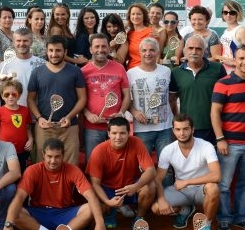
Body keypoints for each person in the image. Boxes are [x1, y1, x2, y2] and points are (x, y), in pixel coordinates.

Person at [1, 138, 107, 230]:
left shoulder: (73, 170)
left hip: (65, 214)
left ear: (63, 155)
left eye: (57, 157)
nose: (53, 161)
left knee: (91, 208)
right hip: (39, 215)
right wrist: (8, 224)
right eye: (49, 156)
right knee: (14, 213)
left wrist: (100, 221)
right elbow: (19, 198)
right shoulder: (32, 171)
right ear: (43, 155)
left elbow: (91, 196)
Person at [210, 45, 245, 230]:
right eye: (241, 58)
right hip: (229, 143)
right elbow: (214, 112)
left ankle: (241, 217)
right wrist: (221, 138)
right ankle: (224, 219)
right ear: (234, 59)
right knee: (223, 185)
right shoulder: (223, 83)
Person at [151, 114, 220, 230]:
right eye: (178, 129)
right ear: (173, 130)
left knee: (213, 188)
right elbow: (158, 179)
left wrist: (187, 181)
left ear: (192, 129)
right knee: (156, 208)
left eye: (186, 129)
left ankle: (206, 227)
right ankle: (185, 209)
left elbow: (216, 175)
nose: (182, 133)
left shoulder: (206, 146)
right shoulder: (168, 150)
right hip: (181, 190)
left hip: (201, 189)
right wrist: (161, 199)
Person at [87, 117, 156, 230]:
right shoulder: (99, 150)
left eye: (122, 133)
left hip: (130, 187)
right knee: (93, 195)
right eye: (114, 133)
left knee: (150, 186)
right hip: (107, 189)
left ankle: (139, 219)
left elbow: (151, 171)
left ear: (129, 133)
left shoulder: (136, 142)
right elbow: (95, 184)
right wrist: (108, 202)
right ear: (108, 133)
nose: (118, 137)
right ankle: (110, 211)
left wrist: (136, 186)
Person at [27, 35, 87, 165]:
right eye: (51, 50)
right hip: (44, 127)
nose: (54, 54)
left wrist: (70, 117)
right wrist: (39, 118)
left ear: (65, 52)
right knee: (42, 164)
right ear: (46, 51)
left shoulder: (75, 71)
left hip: (69, 127)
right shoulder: (37, 72)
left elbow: (82, 99)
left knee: (71, 166)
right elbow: (31, 99)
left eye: (58, 50)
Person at [81, 33, 130, 162]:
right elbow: (80, 98)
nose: (100, 50)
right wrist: (87, 114)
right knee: (93, 161)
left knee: (117, 161)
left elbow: (127, 95)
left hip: (116, 126)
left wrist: (121, 113)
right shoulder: (83, 71)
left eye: (104, 46)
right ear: (91, 49)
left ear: (109, 48)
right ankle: (94, 183)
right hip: (92, 127)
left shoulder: (119, 68)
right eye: (96, 46)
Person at [171, 35, 227, 144]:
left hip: (213, 127)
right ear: (184, 50)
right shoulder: (175, 73)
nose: (194, 51)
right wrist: (177, 123)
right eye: (190, 48)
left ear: (205, 51)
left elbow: (226, 98)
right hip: (187, 128)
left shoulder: (218, 68)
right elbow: (172, 101)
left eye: (198, 48)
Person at [127, 37, 176, 159]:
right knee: (143, 166)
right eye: (144, 50)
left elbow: (172, 98)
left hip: (165, 128)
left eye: (152, 50)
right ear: (140, 52)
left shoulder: (167, 71)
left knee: (167, 167)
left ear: (158, 52)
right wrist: (135, 112)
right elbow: (126, 100)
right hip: (142, 128)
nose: (147, 53)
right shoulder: (130, 73)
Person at [0, 79, 33, 173]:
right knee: (7, 175)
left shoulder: (25, 110)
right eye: (7, 94)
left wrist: (31, 139)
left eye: (14, 94)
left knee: (21, 174)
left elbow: (28, 128)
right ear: (2, 96)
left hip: (22, 150)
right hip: (4, 152)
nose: (10, 97)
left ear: (19, 96)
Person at [0, 27, 45, 108]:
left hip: (37, 114)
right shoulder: (4, 65)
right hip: (14, 113)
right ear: (13, 42)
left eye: (25, 41)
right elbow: (3, 92)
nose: (22, 44)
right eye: (18, 41)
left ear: (31, 42)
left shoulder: (42, 63)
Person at [118, 3, 166, 70]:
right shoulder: (129, 34)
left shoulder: (151, 33)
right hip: (131, 72)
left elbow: (157, 56)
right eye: (133, 14)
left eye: (139, 14)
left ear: (144, 16)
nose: (135, 16)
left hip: (147, 71)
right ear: (129, 16)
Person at [217, 0, 245, 72]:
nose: (228, 15)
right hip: (224, 72)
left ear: (238, 14)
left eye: (232, 13)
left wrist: (233, 62)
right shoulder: (226, 31)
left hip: (237, 74)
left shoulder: (241, 31)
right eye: (225, 12)